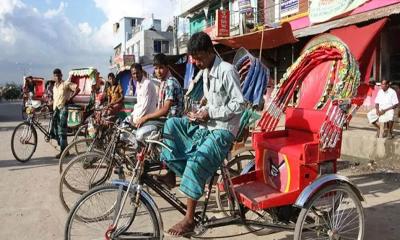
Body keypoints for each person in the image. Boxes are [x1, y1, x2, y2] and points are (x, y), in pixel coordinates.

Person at [159, 32, 245, 236]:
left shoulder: (227, 70)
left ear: (209, 52)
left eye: (198, 58)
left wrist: (210, 112)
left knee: (196, 163)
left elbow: (239, 104)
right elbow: (211, 98)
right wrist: (199, 110)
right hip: (206, 125)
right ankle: (171, 173)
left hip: (223, 131)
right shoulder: (205, 71)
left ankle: (189, 219)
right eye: (193, 58)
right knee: (171, 124)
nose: (195, 62)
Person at [135, 53, 184, 127]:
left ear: (167, 67)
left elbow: (165, 109)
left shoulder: (170, 82)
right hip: (166, 119)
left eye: (161, 68)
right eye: (156, 68)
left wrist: (146, 117)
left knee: (144, 128)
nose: (158, 72)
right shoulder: (163, 82)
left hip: (172, 121)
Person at [51, 68, 80, 158]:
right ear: (54, 77)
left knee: (61, 131)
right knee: (55, 131)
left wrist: (70, 98)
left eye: (59, 75)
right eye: (55, 76)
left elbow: (77, 89)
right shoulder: (54, 87)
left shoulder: (66, 84)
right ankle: (65, 150)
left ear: (61, 75)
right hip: (56, 109)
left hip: (63, 109)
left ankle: (63, 152)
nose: (57, 77)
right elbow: (55, 99)